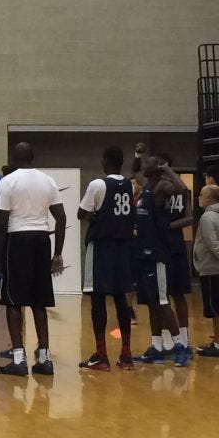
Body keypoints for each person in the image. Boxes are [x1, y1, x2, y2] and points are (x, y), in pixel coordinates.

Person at [0, 142, 66, 377]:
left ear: (15, 158)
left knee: (13, 301)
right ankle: (44, 358)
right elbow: (61, 217)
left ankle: (18, 358)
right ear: (33, 157)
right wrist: (58, 253)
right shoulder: (48, 181)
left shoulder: (8, 181)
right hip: (41, 240)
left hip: (17, 240)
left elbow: (2, 222)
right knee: (39, 300)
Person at [76, 146, 136, 371]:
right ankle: (126, 354)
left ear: (106, 160)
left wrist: (92, 216)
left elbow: (81, 212)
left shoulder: (98, 184)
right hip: (123, 248)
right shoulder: (129, 185)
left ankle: (101, 354)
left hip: (102, 247)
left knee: (98, 298)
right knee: (121, 300)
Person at [130, 144, 188, 366]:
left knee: (163, 302)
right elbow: (135, 171)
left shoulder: (162, 185)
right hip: (143, 252)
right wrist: (137, 155)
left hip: (157, 253)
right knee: (151, 304)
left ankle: (179, 347)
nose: (145, 165)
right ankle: (156, 347)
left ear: (157, 168)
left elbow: (182, 189)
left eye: (149, 162)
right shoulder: (147, 185)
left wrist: (167, 169)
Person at [152, 151, 193, 358]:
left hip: (174, 244)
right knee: (163, 295)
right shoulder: (157, 187)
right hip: (161, 244)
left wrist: (170, 226)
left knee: (178, 293)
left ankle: (184, 340)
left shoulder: (180, 190)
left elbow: (190, 218)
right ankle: (168, 341)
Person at [192, 184, 219, 357]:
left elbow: (212, 244)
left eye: (201, 194)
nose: (198, 197)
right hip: (213, 269)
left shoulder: (207, 217)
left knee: (215, 308)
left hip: (211, 269)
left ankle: (217, 344)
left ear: (209, 198)